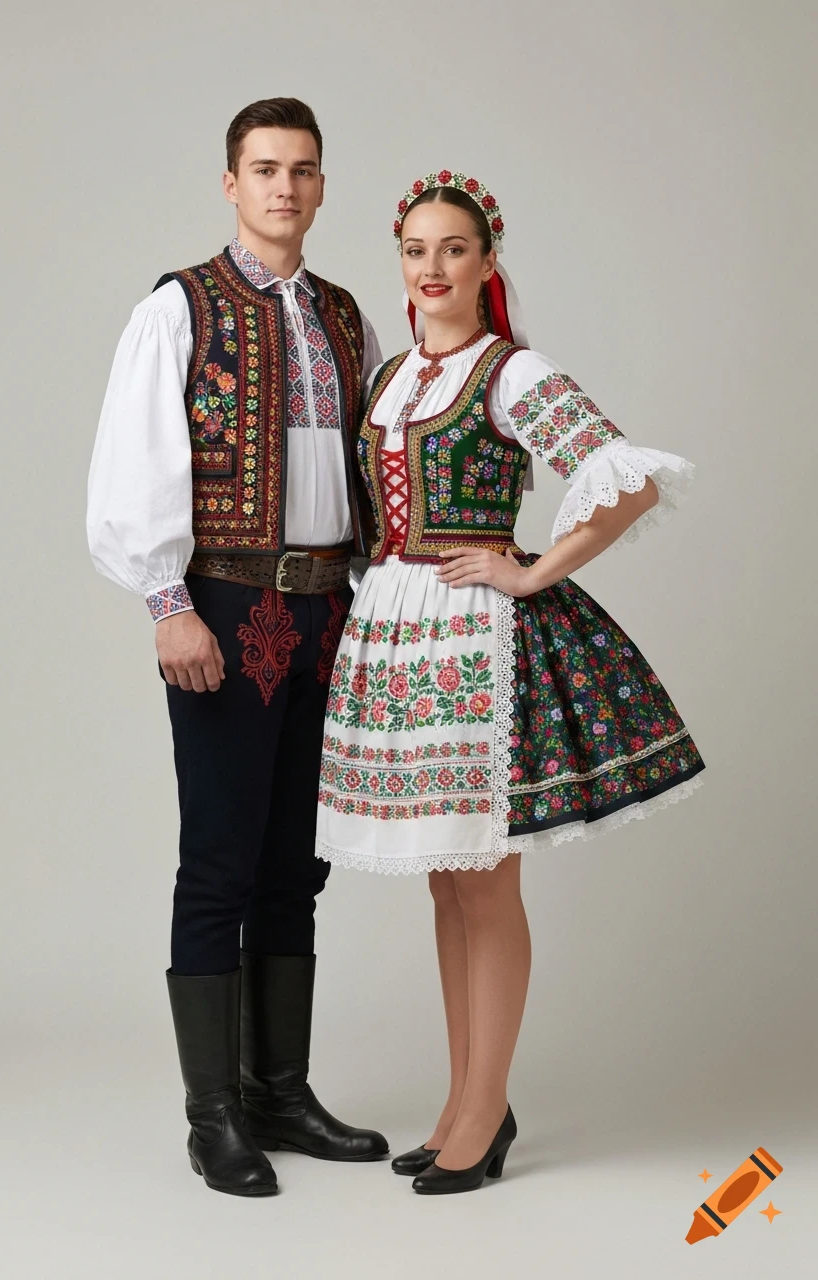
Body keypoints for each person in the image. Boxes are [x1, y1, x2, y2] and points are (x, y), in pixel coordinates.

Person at [315, 171, 705, 1195]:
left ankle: (483, 1111)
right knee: (445, 884)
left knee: (484, 883)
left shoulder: (511, 372)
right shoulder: (392, 374)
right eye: (415, 250)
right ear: (399, 262)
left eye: (452, 248)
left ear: (486, 262)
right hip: (399, 632)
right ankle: (461, 1099)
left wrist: (530, 568)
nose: (431, 267)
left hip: (475, 637)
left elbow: (623, 476)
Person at [87, 97, 389, 1198]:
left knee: (293, 862)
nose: (284, 188)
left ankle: (280, 1088)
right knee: (218, 854)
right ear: (230, 181)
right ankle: (211, 1112)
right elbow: (135, 461)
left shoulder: (346, 315)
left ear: (320, 184)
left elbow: (365, 474)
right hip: (221, 602)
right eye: (265, 168)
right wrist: (167, 600)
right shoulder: (183, 307)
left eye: (303, 170)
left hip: (328, 610)